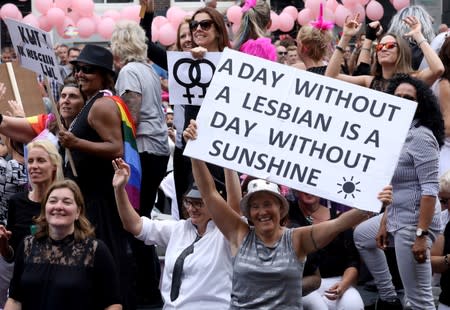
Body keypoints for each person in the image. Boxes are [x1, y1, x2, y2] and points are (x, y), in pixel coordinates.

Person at [184, 120, 393, 308]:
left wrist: (375, 202)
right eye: (255, 206)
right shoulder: (239, 234)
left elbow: (340, 223)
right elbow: (209, 194)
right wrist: (194, 149)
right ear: (248, 211)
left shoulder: (296, 239)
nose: (262, 211)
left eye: (268, 204)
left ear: (280, 208)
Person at [353, 75, 445, 310]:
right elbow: (397, 187)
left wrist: (421, 236)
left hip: (414, 223)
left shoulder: (421, 136)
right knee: (363, 236)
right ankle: (389, 297)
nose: (403, 101)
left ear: (419, 104)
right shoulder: (394, 134)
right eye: (398, 97)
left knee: (420, 300)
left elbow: (429, 190)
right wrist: (385, 220)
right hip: (398, 214)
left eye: (409, 98)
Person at [58, 44, 134, 309]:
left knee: (104, 261)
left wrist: (75, 142)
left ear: (104, 75)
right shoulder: (92, 103)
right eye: (78, 68)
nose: (80, 74)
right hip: (90, 198)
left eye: (87, 70)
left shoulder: (102, 105)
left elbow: (116, 148)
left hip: (99, 202)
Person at [112, 157, 241, 309]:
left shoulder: (224, 234)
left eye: (199, 203)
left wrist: (228, 165)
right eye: (189, 202)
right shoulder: (178, 229)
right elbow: (134, 225)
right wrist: (119, 189)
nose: (192, 208)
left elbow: (235, 209)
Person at [111, 20, 170, 307]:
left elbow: (129, 116)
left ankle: (145, 289)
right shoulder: (147, 69)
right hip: (157, 151)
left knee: (136, 221)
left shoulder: (129, 71)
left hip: (144, 150)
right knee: (141, 217)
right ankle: (148, 287)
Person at [4, 180, 122, 310]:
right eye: (53, 201)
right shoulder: (27, 246)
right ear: (45, 209)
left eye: (67, 202)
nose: (58, 206)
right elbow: (15, 299)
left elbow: (113, 304)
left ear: (78, 212)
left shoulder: (95, 250)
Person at [0, 139, 64, 308]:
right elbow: (12, 256)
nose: (33, 166)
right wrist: (4, 245)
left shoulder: (65, 202)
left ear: (54, 166)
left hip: (60, 287)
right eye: (30, 161)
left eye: (41, 160)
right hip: (25, 287)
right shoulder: (16, 202)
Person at [325, 14, 444, 91]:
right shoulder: (369, 81)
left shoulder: (414, 78)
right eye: (380, 47)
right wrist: (345, 37)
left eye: (390, 46)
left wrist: (418, 35)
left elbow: (437, 69)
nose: (384, 49)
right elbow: (331, 77)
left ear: (401, 52)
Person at [290, 191, 364, 310]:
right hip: (303, 283)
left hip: (337, 281)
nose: (308, 191)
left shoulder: (341, 218)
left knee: (354, 304)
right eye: (304, 188)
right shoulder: (288, 216)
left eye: (312, 187)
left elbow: (353, 261)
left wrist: (343, 285)